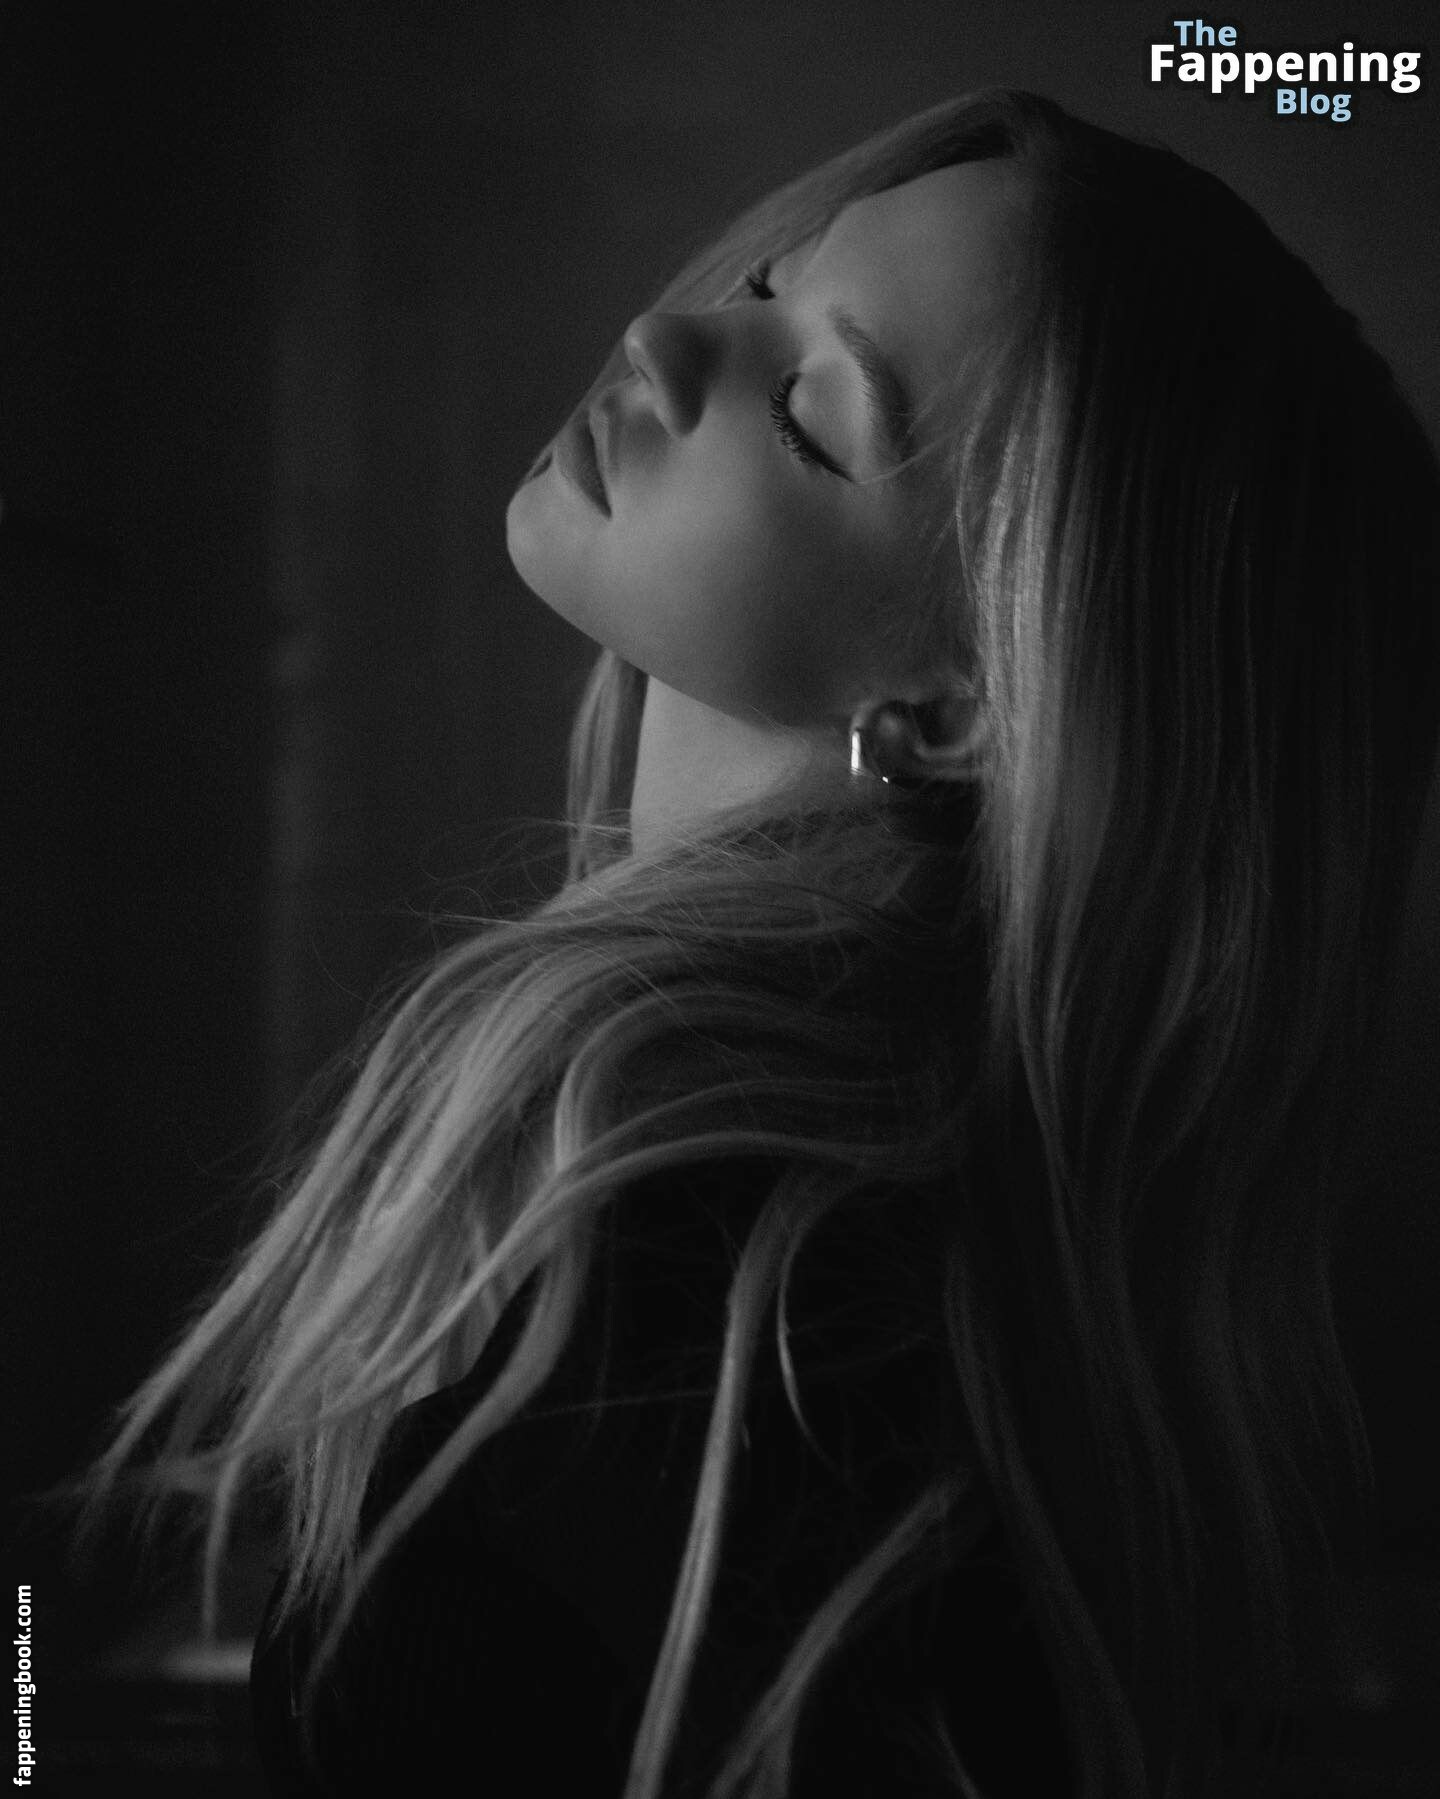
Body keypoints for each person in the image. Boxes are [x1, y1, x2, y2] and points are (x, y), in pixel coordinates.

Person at [86, 89, 1440, 1798]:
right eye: (766, 283)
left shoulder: (749, 1329)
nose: (664, 342)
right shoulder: (788, 1241)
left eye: (811, 411)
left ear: (963, 708)